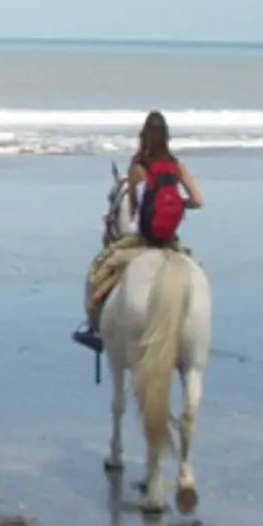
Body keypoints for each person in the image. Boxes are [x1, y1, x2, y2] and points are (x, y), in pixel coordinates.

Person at [72, 110, 204, 352]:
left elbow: (135, 211)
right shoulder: (176, 166)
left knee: (98, 271)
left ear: (143, 136)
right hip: (169, 241)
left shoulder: (138, 167)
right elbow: (199, 200)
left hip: (143, 239)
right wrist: (178, 203)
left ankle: (95, 328)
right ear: (167, 136)